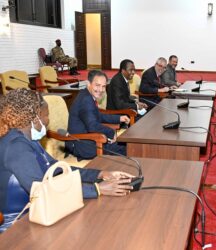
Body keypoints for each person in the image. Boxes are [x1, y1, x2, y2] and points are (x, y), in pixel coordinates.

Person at [0, 89, 133, 231]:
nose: (48, 120)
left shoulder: (28, 139)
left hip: (40, 213)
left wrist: (100, 174)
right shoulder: (16, 147)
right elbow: (44, 191)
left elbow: (55, 168)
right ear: (34, 118)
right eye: (46, 115)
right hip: (18, 224)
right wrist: (97, 189)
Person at [66, 70, 130, 160]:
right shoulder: (86, 100)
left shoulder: (86, 94)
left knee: (126, 145)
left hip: (88, 140)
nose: (101, 90)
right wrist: (111, 133)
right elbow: (92, 126)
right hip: (83, 145)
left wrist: (119, 118)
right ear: (88, 83)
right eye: (97, 85)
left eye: (103, 86)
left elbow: (98, 116)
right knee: (128, 148)